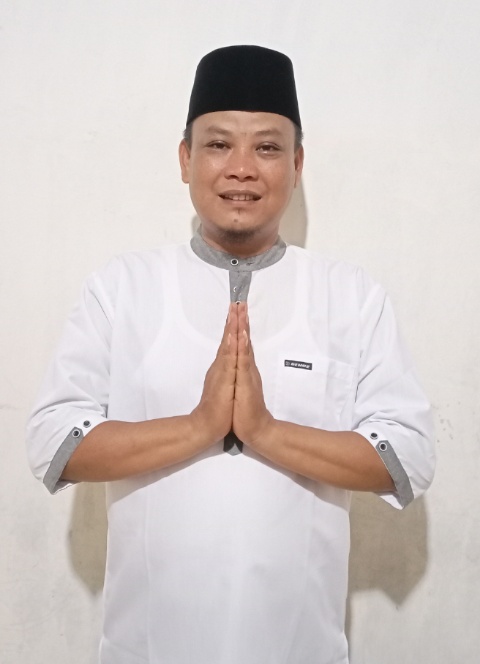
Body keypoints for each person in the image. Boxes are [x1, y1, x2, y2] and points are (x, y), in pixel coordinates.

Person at [26, 45, 435, 664]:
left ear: (297, 164)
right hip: (148, 648)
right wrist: (199, 427)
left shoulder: (350, 295)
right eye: (218, 144)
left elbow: (408, 457)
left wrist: (265, 431)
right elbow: (52, 442)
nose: (241, 169)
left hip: (300, 649)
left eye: (267, 147)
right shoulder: (121, 288)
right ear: (185, 159)